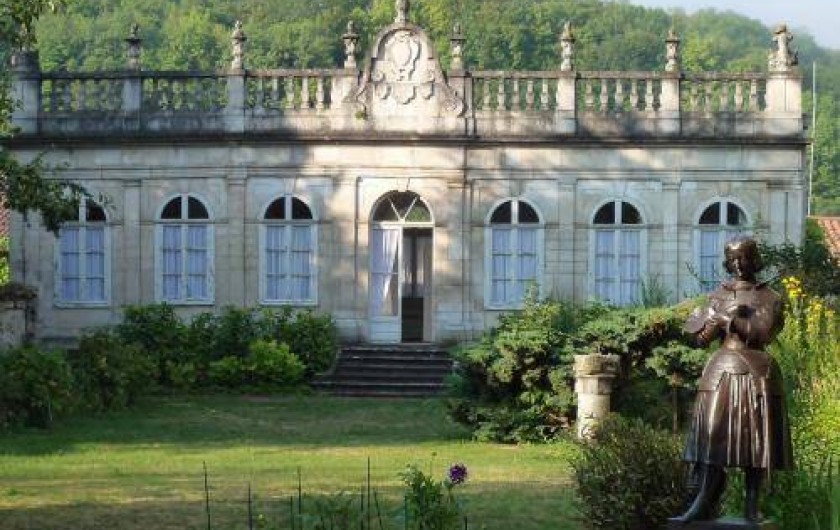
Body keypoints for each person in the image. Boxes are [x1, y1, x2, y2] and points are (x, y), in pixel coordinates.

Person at [672, 236, 793, 523]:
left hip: (755, 370)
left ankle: (753, 503)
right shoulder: (717, 295)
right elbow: (703, 340)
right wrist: (710, 321)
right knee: (711, 433)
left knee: (756, 438)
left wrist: (730, 321)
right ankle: (703, 499)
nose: (739, 264)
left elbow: (762, 333)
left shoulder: (771, 297)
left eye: (745, 257)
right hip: (721, 369)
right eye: (733, 259)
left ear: (755, 259)